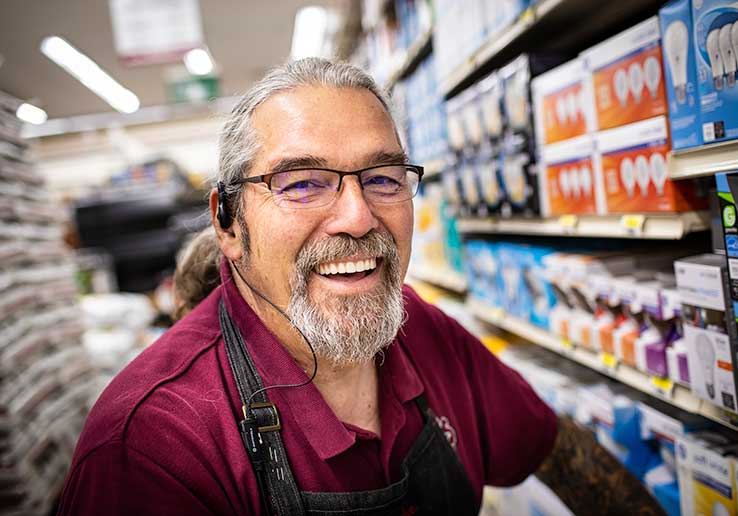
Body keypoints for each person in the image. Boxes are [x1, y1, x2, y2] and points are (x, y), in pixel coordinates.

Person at [58, 58, 665, 516]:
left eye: (382, 177)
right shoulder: (152, 444)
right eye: (302, 183)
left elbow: (555, 447)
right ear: (228, 221)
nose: (357, 216)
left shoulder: (420, 330)